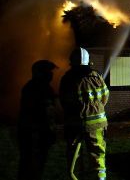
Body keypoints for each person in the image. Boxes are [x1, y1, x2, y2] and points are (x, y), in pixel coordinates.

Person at [59, 47, 109, 180]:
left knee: (74, 154)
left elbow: (64, 101)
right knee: (98, 155)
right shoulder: (96, 76)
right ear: (88, 62)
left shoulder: (67, 79)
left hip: (75, 124)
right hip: (97, 124)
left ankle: (74, 175)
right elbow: (105, 96)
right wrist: (96, 109)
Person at [18, 59, 58, 180]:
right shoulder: (38, 89)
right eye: (49, 72)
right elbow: (45, 113)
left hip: (37, 134)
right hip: (34, 135)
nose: (51, 74)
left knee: (34, 166)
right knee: (31, 166)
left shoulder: (39, 87)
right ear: (40, 73)